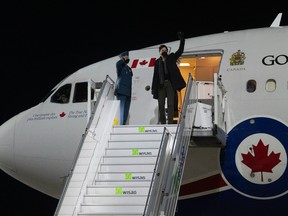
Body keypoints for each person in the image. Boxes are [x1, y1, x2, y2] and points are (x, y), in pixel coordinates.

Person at [151, 32, 186, 124]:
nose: (164, 51)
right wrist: (154, 88)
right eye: (162, 50)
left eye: (165, 49)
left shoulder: (171, 57)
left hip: (170, 83)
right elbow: (155, 76)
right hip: (161, 85)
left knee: (171, 104)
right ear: (160, 52)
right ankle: (163, 122)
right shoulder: (157, 62)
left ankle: (170, 122)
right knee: (161, 104)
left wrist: (182, 40)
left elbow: (180, 51)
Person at [114, 51, 133, 125]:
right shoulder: (120, 66)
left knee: (126, 112)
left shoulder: (128, 68)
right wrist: (122, 59)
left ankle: (123, 125)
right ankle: (121, 126)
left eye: (128, 57)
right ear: (123, 57)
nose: (128, 58)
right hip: (121, 92)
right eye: (126, 57)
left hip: (128, 93)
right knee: (121, 112)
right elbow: (118, 63)